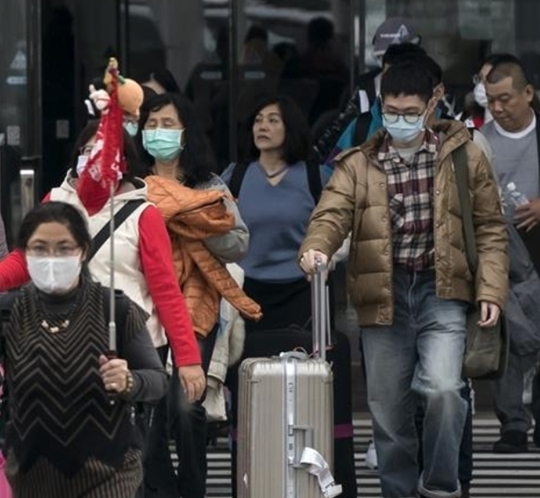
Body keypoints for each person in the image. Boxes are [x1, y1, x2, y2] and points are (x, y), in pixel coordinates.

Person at [299, 61, 509, 498]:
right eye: (391, 111)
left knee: (445, 391)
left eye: (411, 112)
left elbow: (490, 226)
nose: (400, 120)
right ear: (381, 106)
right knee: (389, 415)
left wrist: (490, 288)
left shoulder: (464, 154)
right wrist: (317, 247)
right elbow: (331, 211)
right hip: (383, 295)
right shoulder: (359, 162)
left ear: (433, 101)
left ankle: (439, 487)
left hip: (443, 290)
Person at [0, 122, 205, 403]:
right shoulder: (56, 201)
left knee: (138, 443)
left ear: (123, 160)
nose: (95, 157)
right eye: (88, 150)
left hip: (132, 342)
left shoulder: (143, 213)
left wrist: (188, 357)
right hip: (65, 339)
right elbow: (25, 260)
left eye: (105, 150)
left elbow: (166, 291)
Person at [222, 95, 357, 498]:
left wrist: (325, 258)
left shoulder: (317, 174)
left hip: (304, 291)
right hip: (248, 294)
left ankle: (318, 473)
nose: (262, 126)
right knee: (248, 387)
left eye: (273, 120)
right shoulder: (236, 174)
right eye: (258, 120)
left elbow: (342, 226)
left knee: (311, 383)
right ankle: (251, 473)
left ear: (291, 127)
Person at [0, 201, 168, 498]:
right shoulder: (10, 313)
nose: (51, 258)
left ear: (83, 251)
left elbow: (157, 380)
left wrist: (130, 381)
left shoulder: (114, 309)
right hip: (31, 476)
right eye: (39, 248)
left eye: (64, 248)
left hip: (108, 473)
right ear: (24, 253)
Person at [135, 92, 253, 498]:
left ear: (186, 131)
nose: (158, 132)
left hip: (196, 302)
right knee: (150, 406)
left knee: (186, 405)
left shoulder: (208, 186)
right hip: (144, 303)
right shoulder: (134, 184)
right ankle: (160, 489)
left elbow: (239, 243)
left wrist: (190, 220)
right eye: (151, 124)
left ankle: (193, 488)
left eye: (168, 124)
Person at [482, 57, 540, 453]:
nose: (499, 109)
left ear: (528, 94)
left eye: (505, 99)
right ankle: (513, 426)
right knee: (507, 335)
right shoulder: (479, 141)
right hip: (501, 250)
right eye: (491, 101)